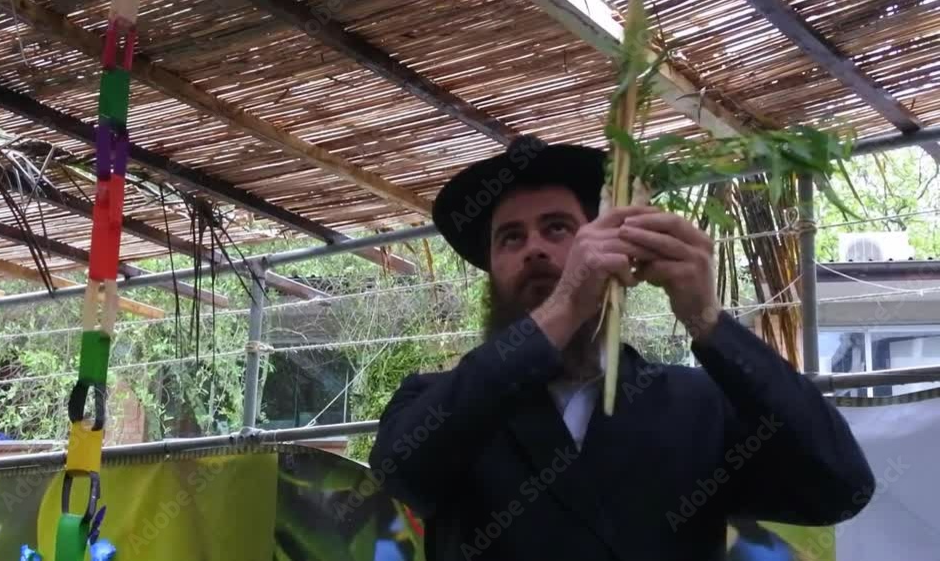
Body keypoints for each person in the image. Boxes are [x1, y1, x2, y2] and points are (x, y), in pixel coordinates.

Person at [368, 135, 874, 561]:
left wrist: (708, 321)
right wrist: (565, 304)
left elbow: (839, 484)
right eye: (510, 239)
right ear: (491, 274)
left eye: (558, 228)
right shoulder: (438, 405)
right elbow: (403, 474)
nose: (535, 248)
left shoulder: (696, 405)